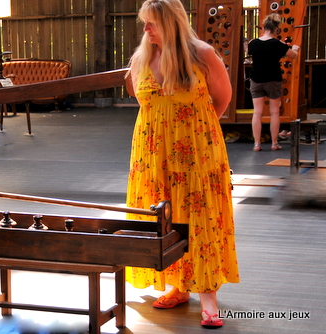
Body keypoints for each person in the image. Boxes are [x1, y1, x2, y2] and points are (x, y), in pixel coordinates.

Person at [125, 0, 239, 328]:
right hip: (151, 155)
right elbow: (144, 102)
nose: (146, 29)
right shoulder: (142, 58)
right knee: (165, 217)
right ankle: (177, 285)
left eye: (152, 23)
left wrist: (196, 131)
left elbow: (223, 98)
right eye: (144, 23)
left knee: (201, 217)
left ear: (172, 23)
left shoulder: (201, 55)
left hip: (197, 153)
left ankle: (208, 297)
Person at [248, 13, 300, 151]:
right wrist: (294, 49)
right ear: (276, 29)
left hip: (256, 79)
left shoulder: (253, 43)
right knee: (274, 112)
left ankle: (257, 144)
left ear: (264, 27)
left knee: (257, 113)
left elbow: (249, 50)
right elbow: (293, 56)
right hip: (273, 79)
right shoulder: (278, 44)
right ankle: (274, 143)